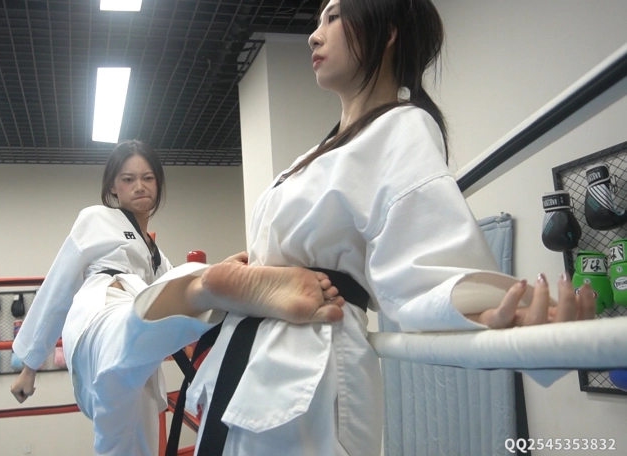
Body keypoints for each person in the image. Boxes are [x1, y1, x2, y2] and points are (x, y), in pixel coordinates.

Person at [122, 0, 598, 455]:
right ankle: (229, 286)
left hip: (311, 352)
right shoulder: (313, 156)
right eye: (317, 21)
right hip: (257, 355)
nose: (314, 35)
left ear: (386, 34)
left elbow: (425, 253)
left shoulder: (402, 128)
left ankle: (225, 287)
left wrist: (502, 314)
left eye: (333, 17)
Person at [9, 140, 344, 455]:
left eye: (147, 178)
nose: (139, 186)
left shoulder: (155, 254)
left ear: (158, 184)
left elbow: (170, 286)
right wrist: (30, 365)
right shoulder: (95, 218)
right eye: (128, 179)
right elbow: (58, 285)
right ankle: (209, 286)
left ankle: (212, 286)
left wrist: (219, 271)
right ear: (113, 187)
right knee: (129, 331)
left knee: (122, 440)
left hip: (135, 361)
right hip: (102, 312)